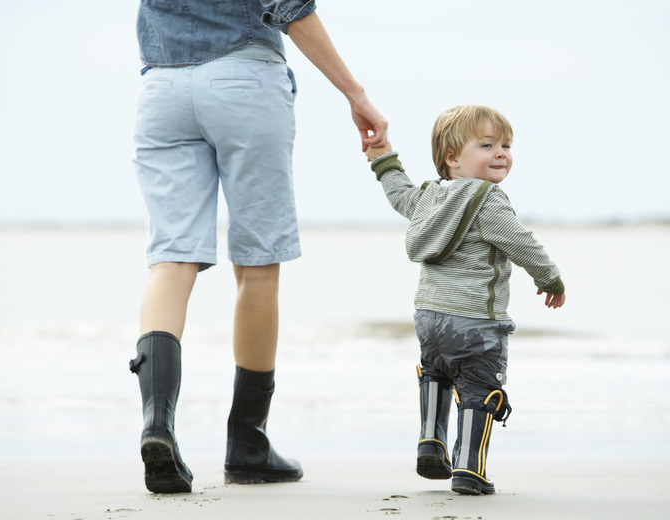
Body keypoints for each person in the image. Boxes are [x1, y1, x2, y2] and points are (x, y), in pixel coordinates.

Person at [128, 0, 387, 494]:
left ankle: (157, 425)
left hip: (160, 88)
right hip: (243, 78)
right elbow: (289, 6)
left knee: (171, 259)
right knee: (257, 264)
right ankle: (248, 443)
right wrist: (355, 93)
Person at [364, 105, 565, 495]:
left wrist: (382, 156)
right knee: (478, 386)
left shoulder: (428, 200)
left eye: (505, 144)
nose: (501, 153)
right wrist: (550, 278)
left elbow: (397, 191)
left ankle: (431, 440)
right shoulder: (489, 200)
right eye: (487, 144)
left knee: (436, 371)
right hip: (476, 322)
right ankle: (470, 468)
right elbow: (521, 242)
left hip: (429, 318)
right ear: (452, 158)